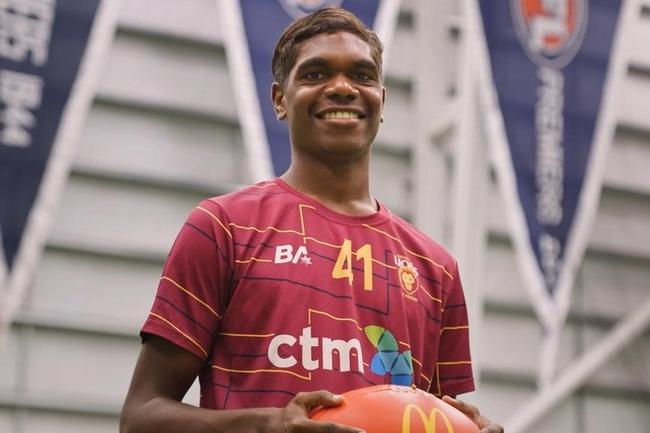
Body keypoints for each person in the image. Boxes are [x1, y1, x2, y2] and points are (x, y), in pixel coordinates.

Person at [120, 7, 503, 433]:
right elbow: (140, 417)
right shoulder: (223, 227)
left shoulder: (436, 268)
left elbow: (429, 417)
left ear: (382, 100)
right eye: (315, 74)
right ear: (280, 99)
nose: (342, 88)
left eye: (361, 75)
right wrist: (267, 426)